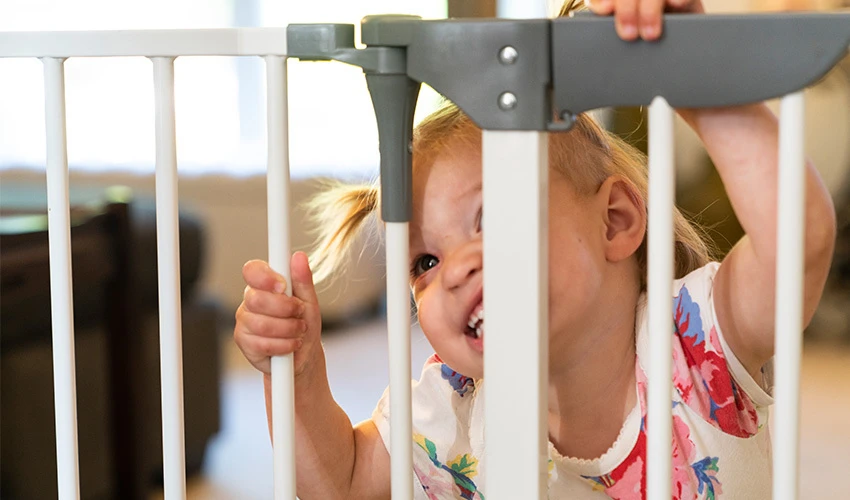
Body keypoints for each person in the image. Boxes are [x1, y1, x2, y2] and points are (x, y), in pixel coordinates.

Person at [233, 0, 837, 498]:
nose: (456, 269)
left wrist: (695, 74)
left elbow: (797, 244)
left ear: (616, 222)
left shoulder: (694, 341)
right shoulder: (455, 397)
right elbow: (341, 483)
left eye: (490, 218)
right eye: (425, 261)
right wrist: (301, 371)